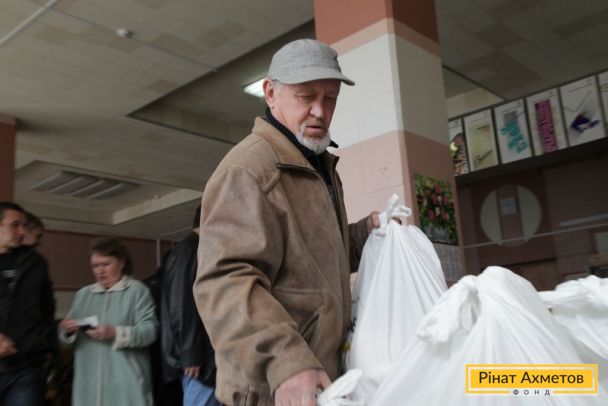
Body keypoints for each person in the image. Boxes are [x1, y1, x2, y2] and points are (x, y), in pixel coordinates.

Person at [193, 39, 380, 406]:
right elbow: (225, 283)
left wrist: (366, 234)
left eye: (330, 98)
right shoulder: (248, 170)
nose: (320, 111)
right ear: (270, 93)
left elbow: (317, 260)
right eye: (306, 96)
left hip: (320, 379)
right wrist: (286, 359)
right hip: (273, 387)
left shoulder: (317, 164)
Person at [58, 237, 158, 406]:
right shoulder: (83, 295)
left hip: (127, 383)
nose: (100, 271)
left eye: (106, 264)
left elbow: (150, 331)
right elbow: (65, 341)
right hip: (88, 385)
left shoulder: (137, 291)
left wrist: (115, 333)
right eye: (95, 266)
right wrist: (67, 332)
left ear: (122, 262)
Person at [0, 202, 57, 406]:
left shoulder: (36, 262)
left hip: (28, 367)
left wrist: (48, 349)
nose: (22, 231)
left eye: (24, 225)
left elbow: (47, 309)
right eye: (15, 225)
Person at [161, 206, 219, 406]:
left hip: (199, 358)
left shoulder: (189, 249)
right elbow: (182, 305)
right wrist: (191, 355)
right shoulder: (191, 250)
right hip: (199, 362)